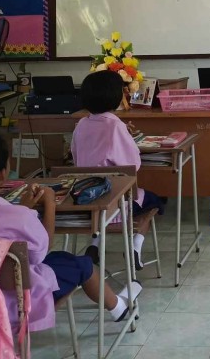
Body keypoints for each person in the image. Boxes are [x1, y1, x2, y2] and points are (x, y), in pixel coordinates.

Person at [0, 132, 140, 332]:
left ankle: (118, 305)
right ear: (2, 174)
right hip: (17, 304)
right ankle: (119, 308)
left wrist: (23, 209)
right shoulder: (17, 216)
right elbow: (41, 252)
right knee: (84, 264)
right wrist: (49, 203)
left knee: (61, 259)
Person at [72, 70, 166, 269]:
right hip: (116, 203)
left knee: (107, 203)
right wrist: (126, 137)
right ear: (115, 96)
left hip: (86, 199)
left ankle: (95, 244)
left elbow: (76, 155)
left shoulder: (81, 124)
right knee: (154, 201)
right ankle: (135, 246)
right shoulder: (115, 125)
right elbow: (132, 166)